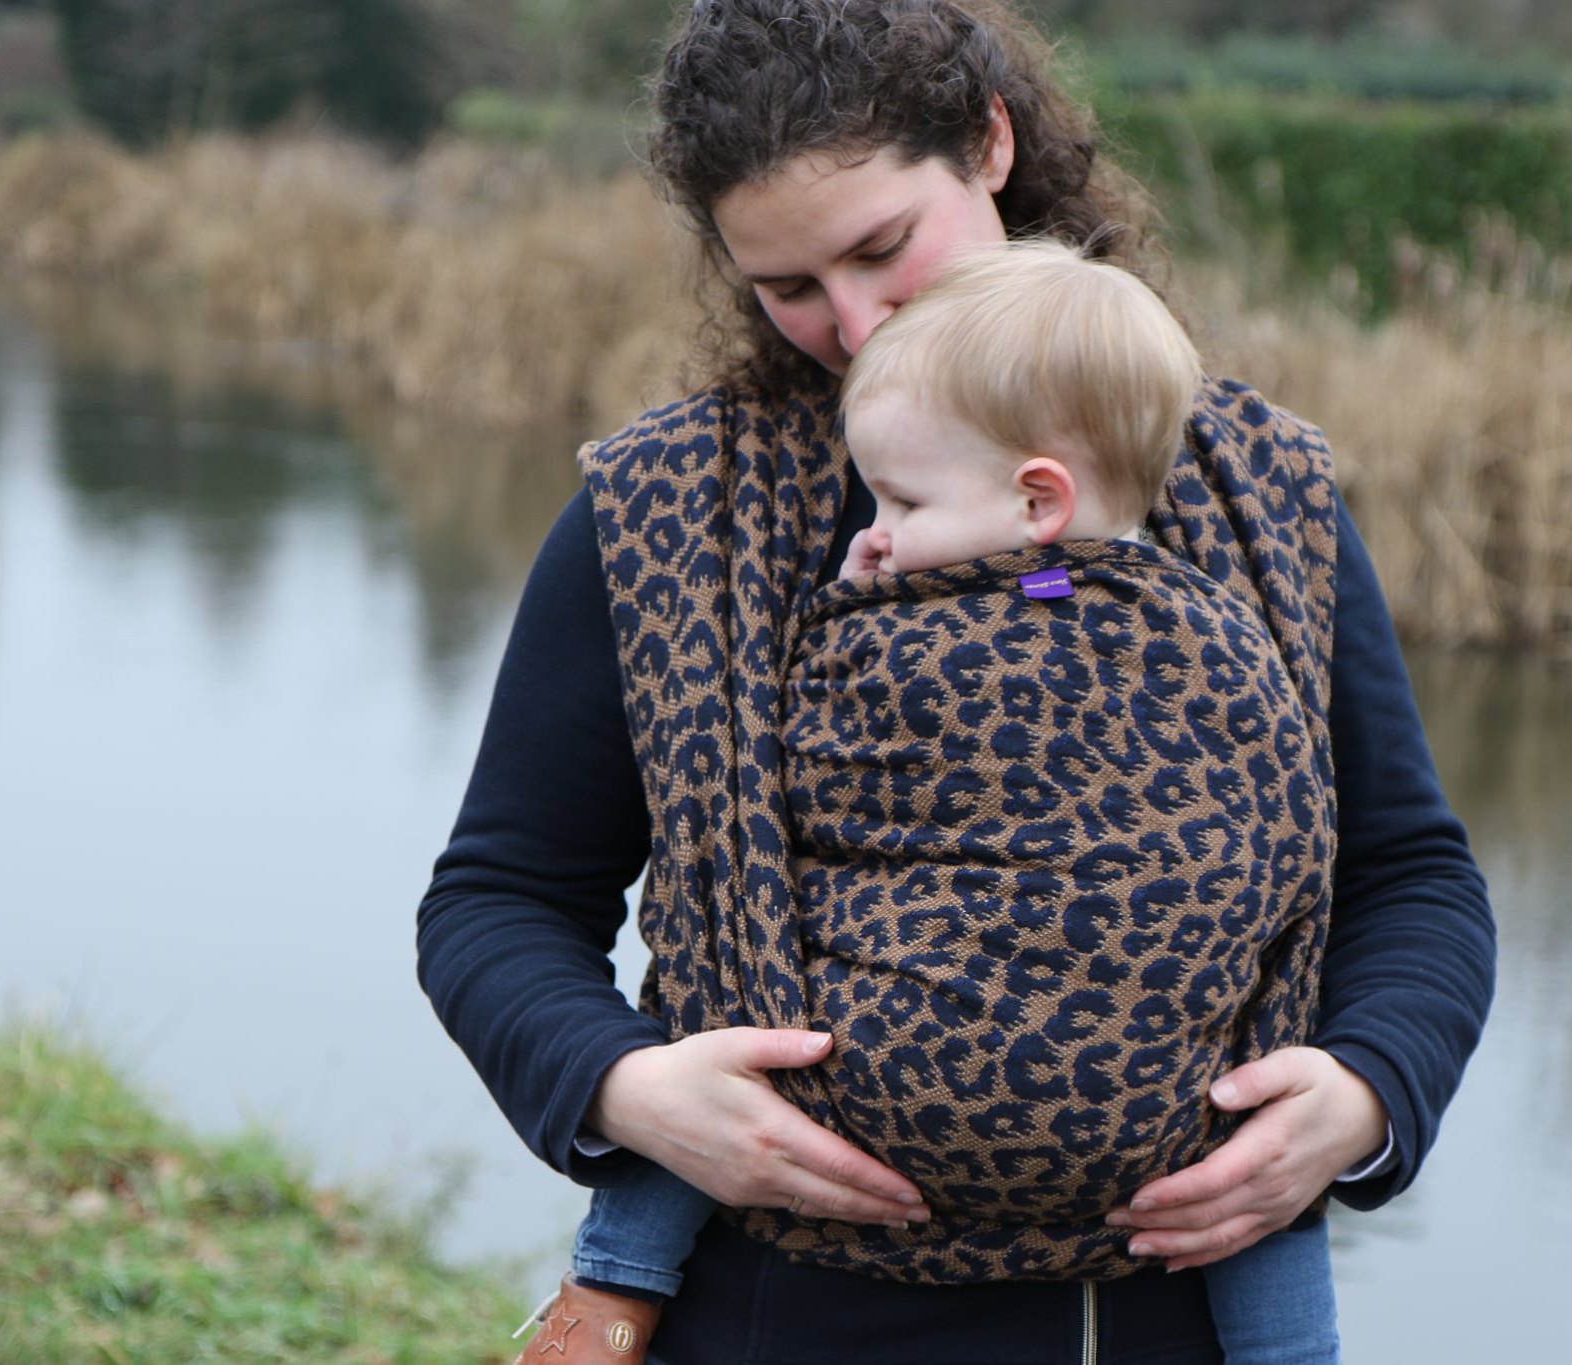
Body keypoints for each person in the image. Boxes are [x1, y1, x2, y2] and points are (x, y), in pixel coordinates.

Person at [416, 3, 1496, 1362]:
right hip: (780, 1318)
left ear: (989, 143)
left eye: (881, 248)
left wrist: (1367, 1089)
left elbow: (1409, 874)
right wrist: (624, 1086)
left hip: (1169, 1317)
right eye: (787, 285)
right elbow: (498, 900)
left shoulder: (1250, 487)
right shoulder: (665, 511)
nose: (852, 320)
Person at [545, 238, 1359, 1362]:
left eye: (900, 501)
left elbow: (764, 806)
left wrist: (1370, 1093)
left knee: (715, 980)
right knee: (1254, 1102)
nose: (871, 534)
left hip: (851, 1100)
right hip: (1147, 1143)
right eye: (787, 285)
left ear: (1036, 499)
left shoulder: (902, 633)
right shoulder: (1237, 627)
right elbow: (1299, 842)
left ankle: (612, 1285)